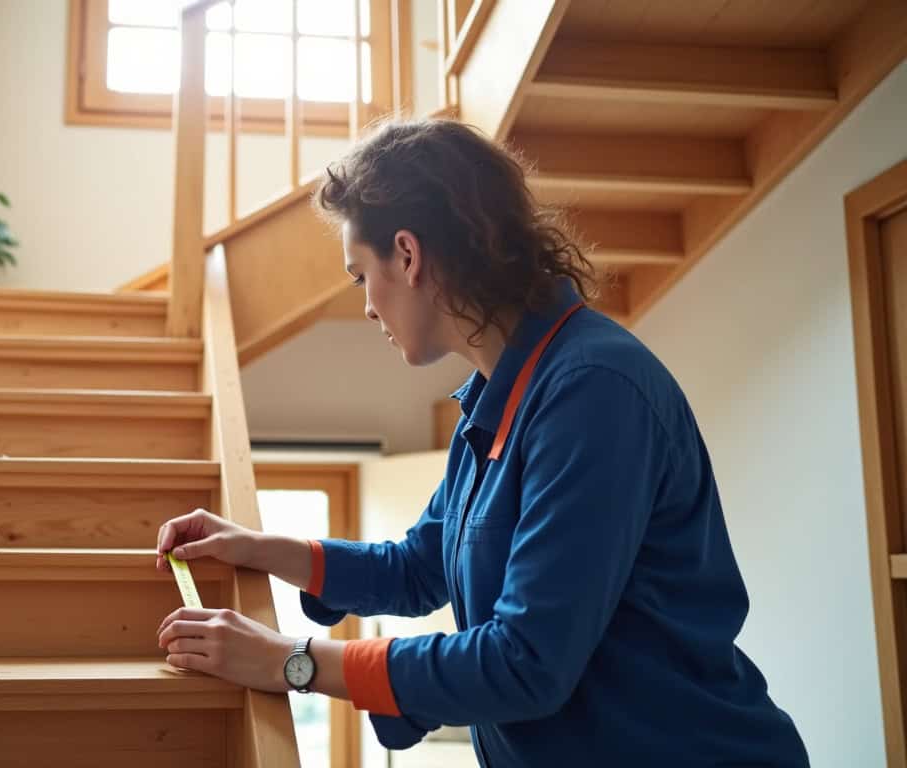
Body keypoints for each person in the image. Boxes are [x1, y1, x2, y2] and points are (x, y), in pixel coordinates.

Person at [154, 118, 808, 766]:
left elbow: (525, 661)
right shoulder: (501, 396)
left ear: (407, 255)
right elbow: (417, 566)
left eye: (360, 276)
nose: (368, 307)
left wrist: (292, 663)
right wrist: (257, 548)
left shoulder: (592, 390)